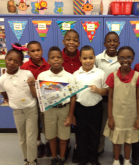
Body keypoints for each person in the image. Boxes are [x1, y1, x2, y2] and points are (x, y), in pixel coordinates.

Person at [28, 46, 76, 165]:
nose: (56, 60)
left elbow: (73, 96)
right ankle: (54, 157)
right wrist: (31, 86)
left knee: (64, 136)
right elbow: (38, 95)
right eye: (52, 58)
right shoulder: (42, 76)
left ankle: (62, 157)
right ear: (48, 60)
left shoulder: (69, 76)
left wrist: (71, 115)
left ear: (62, 60)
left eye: (58, 57)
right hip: (49, 110)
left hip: (64, 109)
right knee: (51, 136)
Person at [103, 46, 139, 165]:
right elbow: (110, 97)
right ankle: (116, 160)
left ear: (133, 59)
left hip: (131, 115)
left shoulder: (138, 76)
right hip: (117, 115)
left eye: (129, 57)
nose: (125, 60)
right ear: (117, 59)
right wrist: (110, 117)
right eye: (122, 57)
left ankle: (127, 161)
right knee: (117, 140)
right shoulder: (112, 76)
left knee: (128, 140)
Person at [0, 43, 38, 165]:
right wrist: (12, 102)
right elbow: (5, 95)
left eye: (16, 61)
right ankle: (26, 158)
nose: (11, 63)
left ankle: (33, 160)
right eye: (9, 59)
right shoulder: (1, 80)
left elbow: (34, 91)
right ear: (5, 59)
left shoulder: (27, 74)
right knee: (22, 137)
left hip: (31, 109)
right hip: (17, 111)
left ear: (21, 63)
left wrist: (32, 84)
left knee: (31, 137)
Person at [73, 45, 108, 165]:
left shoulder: (100, 73)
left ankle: (93, 158)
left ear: (94, 58)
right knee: (81, 135)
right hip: (80, 109)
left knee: (95, 134)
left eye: (91, 58)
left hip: (96, 108)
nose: (88, 61)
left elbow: (106, 90)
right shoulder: (75, 74)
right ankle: (83, 158)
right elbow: (72, 94)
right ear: (80, 59)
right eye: (85, 58)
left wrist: (98, 90)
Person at [95, 31, 123, 162]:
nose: (112, 43)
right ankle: (99, 148)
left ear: (118, 43)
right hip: (102, 100)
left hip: (118, 100)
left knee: (118, 127)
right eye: (109, 41)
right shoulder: (98, 58)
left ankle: (117, 152)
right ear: (104, 43)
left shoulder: (122, 58)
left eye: (115, 41)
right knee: (100, 126)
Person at [20, 41, 51, 158]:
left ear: (42, 51)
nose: (36, 53)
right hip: (31, 101)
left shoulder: (48, 66)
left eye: (38, 50)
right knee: (35, 123)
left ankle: (48, 142)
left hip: (46, 101)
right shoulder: (24, 68)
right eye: (32, 51)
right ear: (28, 53)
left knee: (46, 122)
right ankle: (39, 143)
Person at [62, 29, 81, 162]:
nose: (71, 42)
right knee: (65, 125)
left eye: (74, 40)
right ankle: (65, 145)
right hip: (64, 99)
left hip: (80, 99)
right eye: (68, 39)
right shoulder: (58, 58)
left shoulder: (83, 57)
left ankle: (77, 148)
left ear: (79, 43)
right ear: (63, 41)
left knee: (79, 126)